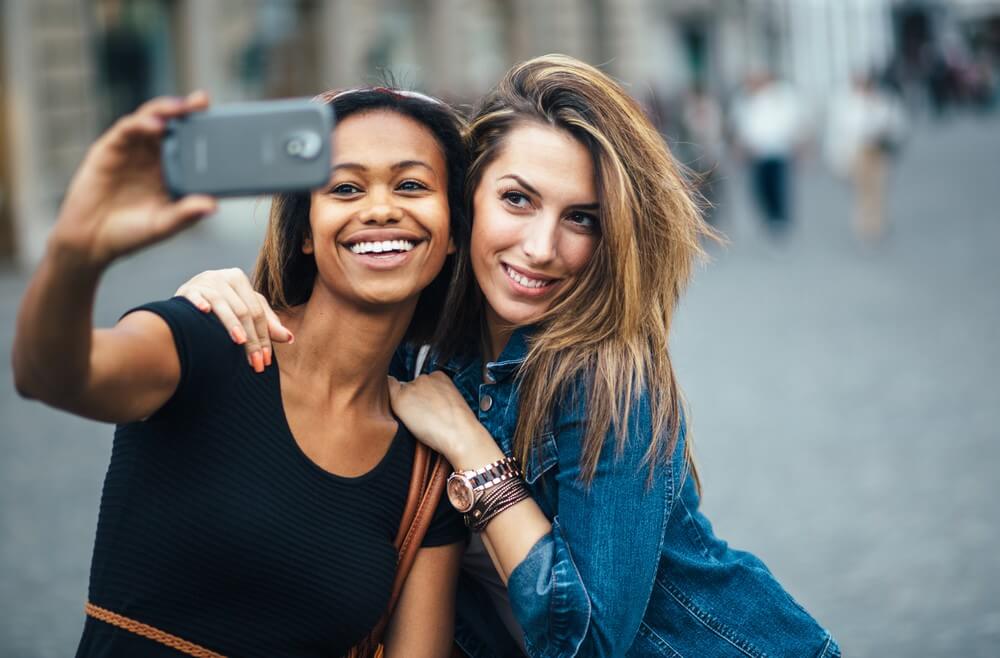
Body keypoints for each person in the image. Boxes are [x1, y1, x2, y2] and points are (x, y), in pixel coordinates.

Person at [177, 55, 841, 657]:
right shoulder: (414, 352)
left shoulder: (606, 375)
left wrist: (472, 450)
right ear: (466, 202)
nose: (542, 247)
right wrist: (211, 301)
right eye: (517, 200)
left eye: (581, 218)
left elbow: (587, 647)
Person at [12, 88, 470, 657]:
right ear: (305, 230)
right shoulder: (209, 339)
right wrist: (76, 253)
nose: (379, 209)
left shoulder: (426, 472)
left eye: (412, 185)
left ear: (452, 233)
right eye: (345, 188)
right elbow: (49, 375)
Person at [825, 74, 907, 243]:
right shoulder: (846, 103)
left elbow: (897, 124)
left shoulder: (883, 101)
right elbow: (839, 133)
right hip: (858, 150)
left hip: (878, 150)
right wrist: (837, 159)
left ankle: (877, 224)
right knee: (862, 191)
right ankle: (864, 226)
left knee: (879, 188)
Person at [731, 72, 806, 235]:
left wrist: (798, 144)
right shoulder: (746, 99)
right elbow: (740, 125)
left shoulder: (780, 97)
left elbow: (791, 121)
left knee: (778, 185)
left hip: (778, 150)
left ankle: (780, 218)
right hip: (757, 153)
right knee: (760, 187)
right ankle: (769, 217)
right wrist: (740, 147)